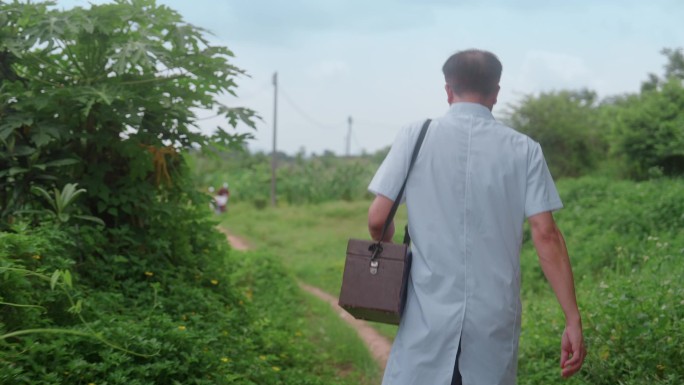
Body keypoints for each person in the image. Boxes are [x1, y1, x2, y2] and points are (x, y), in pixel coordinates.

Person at [367, 49, 585, 385]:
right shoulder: (524, 149)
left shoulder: (416, 136)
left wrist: (388, 243)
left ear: (448, 90)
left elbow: (378, 219)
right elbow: (546, 235)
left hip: (427, 312)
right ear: (496, 92)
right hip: (493, 316)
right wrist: (572, 319)